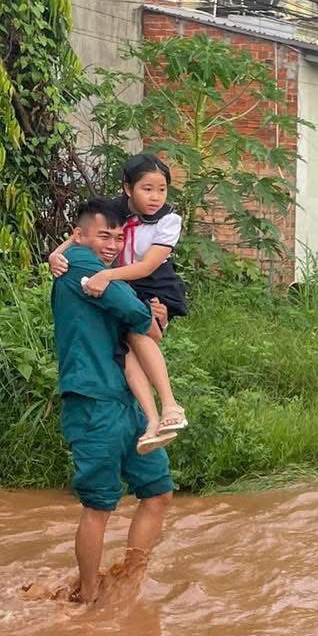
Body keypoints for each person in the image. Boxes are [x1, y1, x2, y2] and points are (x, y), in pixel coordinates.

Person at [52, 199, 174, 605]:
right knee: (99, 506)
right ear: (80, 235)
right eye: (104, 235)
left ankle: (126, 580)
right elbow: (136, 316)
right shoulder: (83, 267)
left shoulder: (97, 270)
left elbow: (141, 324)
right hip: (93, 402)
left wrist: (149, 318)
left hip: (125, 402)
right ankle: (88, 597)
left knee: (157, 492)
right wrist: (149, 316)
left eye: (118, 237)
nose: (111, 245)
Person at [49, 155, 188, 452]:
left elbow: (148, 267)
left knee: (140, 332)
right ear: (127, 188)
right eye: (146, 189)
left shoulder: (169, 219)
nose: (155, 197)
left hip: (153, 283)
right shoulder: (114, 209)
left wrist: (106, 275)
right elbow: (80, 235)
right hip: (124, 282)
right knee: (125, 349)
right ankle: (152, 421)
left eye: (161, 189)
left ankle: (171, 405)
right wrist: (55, 254)